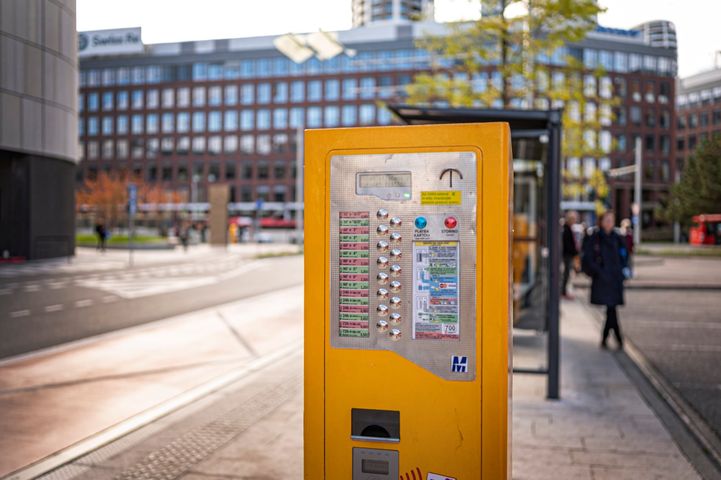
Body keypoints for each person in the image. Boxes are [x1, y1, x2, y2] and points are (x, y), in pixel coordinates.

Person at [582, 210, 628, 349]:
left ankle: (606, 339)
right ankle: (617, 339)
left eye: (611, 220)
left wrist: (622, 269)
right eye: (606, 220)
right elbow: (588, 259)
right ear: (601, 221)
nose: (609, 223)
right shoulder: (595, 238)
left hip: (615, 279)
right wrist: (599, 271)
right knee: (611, 308)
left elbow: (624, 255)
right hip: (602, 279)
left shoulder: (617, 238)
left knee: (611, 308)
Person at [561, 211, 579, 299]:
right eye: (574, 219)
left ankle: (564, 290)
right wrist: (575, 252)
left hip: (569, 255)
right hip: (567, 255)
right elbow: (567, 245)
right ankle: (563, 291)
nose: (575, 221)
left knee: (567, 274)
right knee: (566, 274)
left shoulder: (568, 228)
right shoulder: (566, 229)